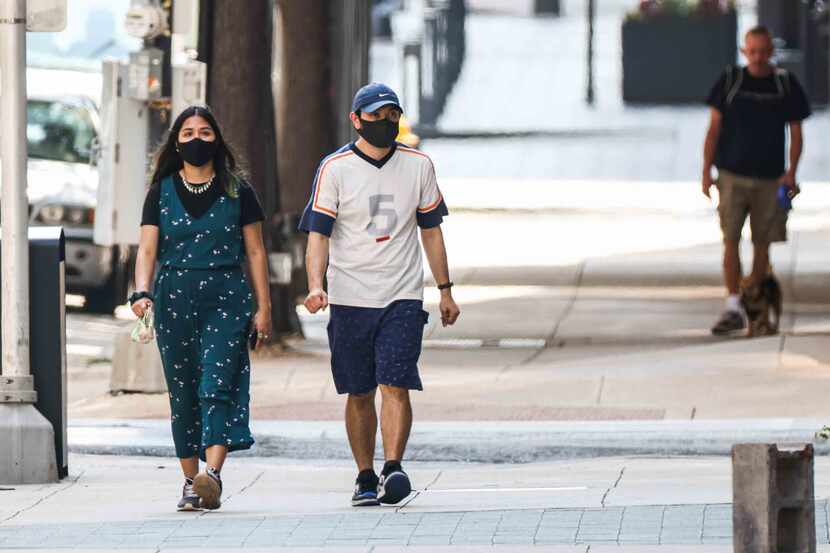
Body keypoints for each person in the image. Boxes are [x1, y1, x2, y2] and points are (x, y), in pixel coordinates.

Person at [299, 83, 461, 507]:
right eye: (375, 116)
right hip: (351, 295)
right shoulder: (334, 169)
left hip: (402, 294)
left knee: (395, 381)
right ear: (356, 120)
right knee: (358, 390)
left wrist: (445, 290)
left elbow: (431, 230)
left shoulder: (419, 165)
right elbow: (318, 234)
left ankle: (393, 467)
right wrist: (316, 285)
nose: (384, 123)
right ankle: (365, 475)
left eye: (392, 116)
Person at [131, 105, 273, 511]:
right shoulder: (160, 192)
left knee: (216, 384)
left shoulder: (237, 190)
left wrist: (263, 308)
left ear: (218, 141)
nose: (197, 139)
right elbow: (147, 248)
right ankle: (190, 482)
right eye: (189, 132)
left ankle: (211, 476)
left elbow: (256, 251)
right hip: (174, 296)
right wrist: (142, 292)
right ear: (177, 142)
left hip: (227, 297)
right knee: (183, 391)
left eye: (206, 133)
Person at [702, 25, 811, 335]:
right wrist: (706, 171)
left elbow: (796, 132)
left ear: (771, 52)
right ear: (744, 52)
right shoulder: (730, 81)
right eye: (753, 52)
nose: (758, 57)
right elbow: (713, 129)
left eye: (763, 51)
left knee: (763, 243)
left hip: (770, 178)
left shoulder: (784, 84)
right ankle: (734, 303)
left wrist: (791, 173)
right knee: (730, 239)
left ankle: (755, 300)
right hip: (732, 175)